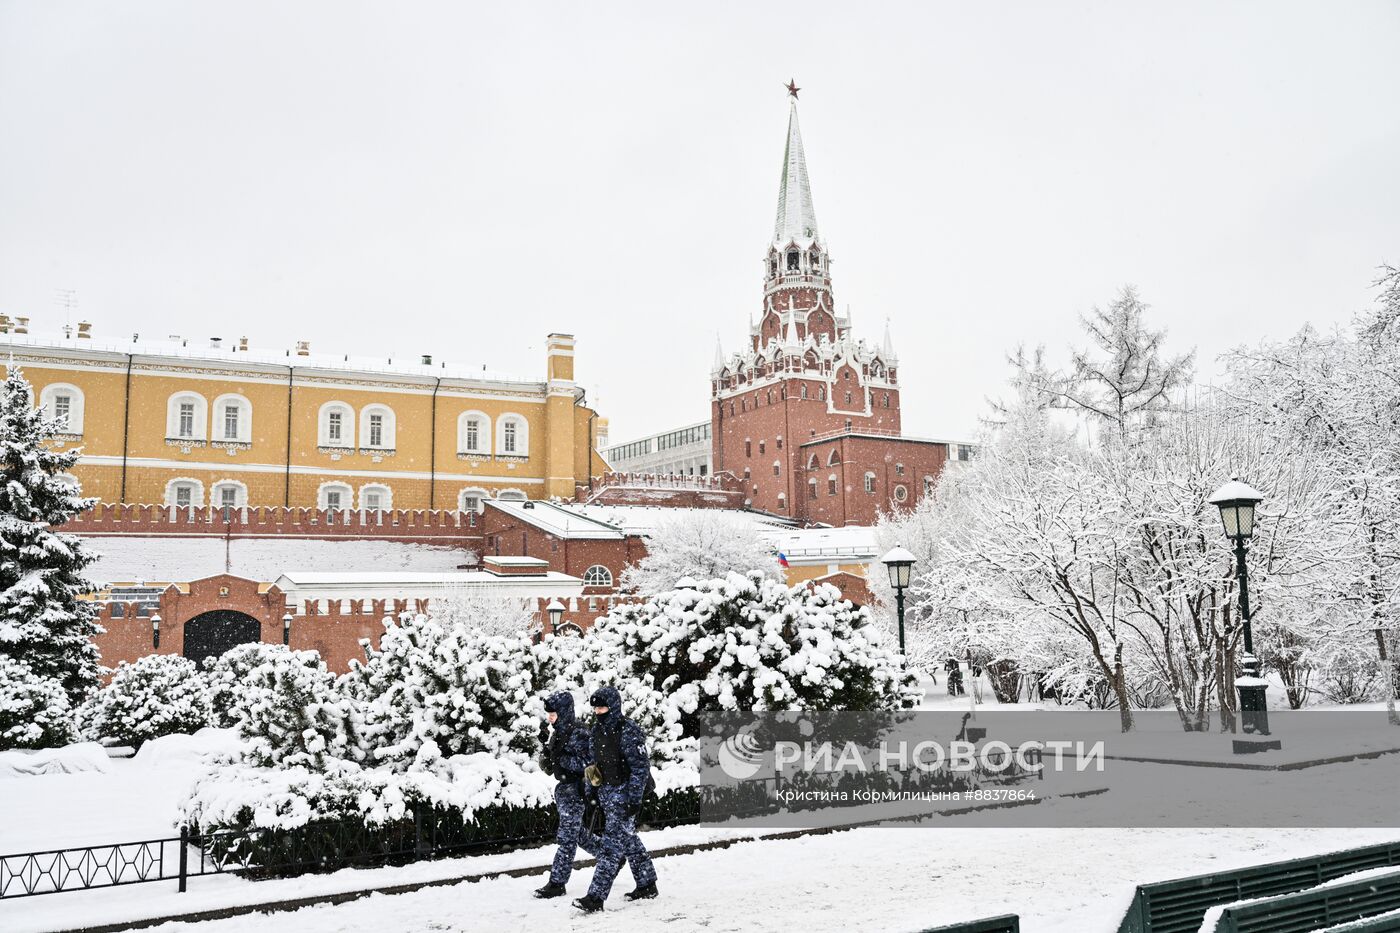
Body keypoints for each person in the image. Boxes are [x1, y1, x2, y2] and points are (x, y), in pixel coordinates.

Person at [573, 685, 657, 913]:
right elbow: (593, 765)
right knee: (628, 840)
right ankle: (647, 883)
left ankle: (595, 897)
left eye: (602, 707)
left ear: (613, 706)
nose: (598, 712)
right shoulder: (596, 731)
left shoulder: (628, 730)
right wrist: (591, 794)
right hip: (607, 794)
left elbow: (640, 768)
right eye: (596, 708)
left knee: (611, 848)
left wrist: (634, 799)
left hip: (625, 793)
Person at [533, 691, 596, 899]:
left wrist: (562, 760)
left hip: (576, 790)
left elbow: (590, 764)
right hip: (564, 790)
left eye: (553, 714)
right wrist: (546, 750)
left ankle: (557, 882)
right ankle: (611, 855)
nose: (550, 718)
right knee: (578, 835)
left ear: (564, 712)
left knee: (567, 838)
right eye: (549, 714)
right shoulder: (557, 733)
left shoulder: (578, 733)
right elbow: (550, 767)